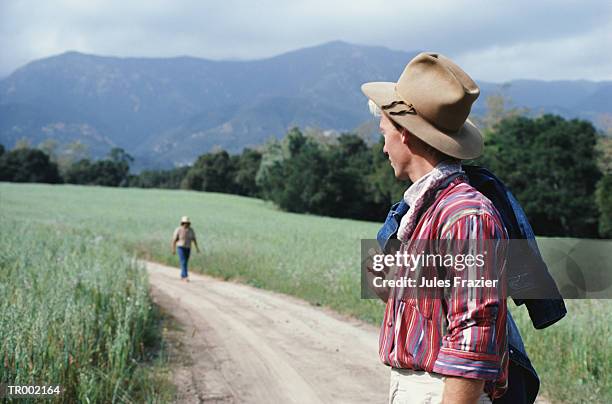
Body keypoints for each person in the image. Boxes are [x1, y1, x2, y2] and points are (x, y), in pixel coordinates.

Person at [361, 52, 509, 404]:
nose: (383, 146)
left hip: (440, 392)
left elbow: (475, 333)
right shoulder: (426, 210)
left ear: (406, 136)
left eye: (385, 132)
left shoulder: (466, 215)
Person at [171, 216, 200, 282]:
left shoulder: (191, 230)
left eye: (187, 223)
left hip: (188, 247)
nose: (186, 224)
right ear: (182, 223)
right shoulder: (178, 229)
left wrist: (197, 248)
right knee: (183, 261)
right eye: (185, 223)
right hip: (180, 247)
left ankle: (182, 275)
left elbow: (194, 239)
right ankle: (185, 276)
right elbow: (174, 240)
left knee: (185, 262)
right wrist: (173, 249)